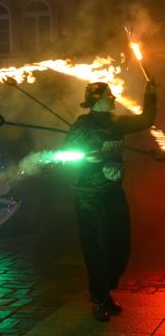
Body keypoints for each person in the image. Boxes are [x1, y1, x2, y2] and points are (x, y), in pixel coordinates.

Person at [62, 80, 157, 321]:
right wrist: (88, 158)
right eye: (109, 94)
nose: (114, 97)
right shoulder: (84, 125)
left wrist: (150, 94)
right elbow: (65, 156)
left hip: (113, 194)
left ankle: (106, 291)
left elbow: (145, 120)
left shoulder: (116, 123)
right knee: (99, 247)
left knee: (120, 245)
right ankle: (99, 298)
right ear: (97, 98)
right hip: (90, 197)